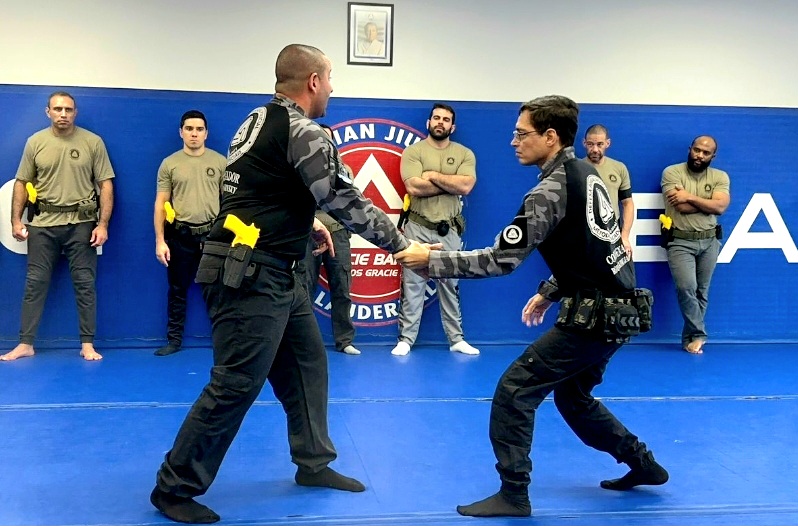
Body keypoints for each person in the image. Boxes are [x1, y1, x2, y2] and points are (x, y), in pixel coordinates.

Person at [150, 44, 410, 524]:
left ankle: (314, 463)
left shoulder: (258, 120)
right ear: (313, 81)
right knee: (235, 383)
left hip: (277, 270)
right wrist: (399, 244)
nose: (333, 87)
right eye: (330, 78)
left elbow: (257, 187)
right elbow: (340, 196)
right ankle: (174, 487)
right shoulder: (304, 130)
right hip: (250, 274)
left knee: (309, 364)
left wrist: (305, 221)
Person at [397, 95, 668, 518]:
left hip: (595, 317)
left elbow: (499, 259)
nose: (513, 142)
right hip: (620, 309)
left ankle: (513, 493)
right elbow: (592, 249)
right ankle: (644, 464)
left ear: (550, 137)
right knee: (574, 398)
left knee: (514, 392)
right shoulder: (588, 175)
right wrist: (550, 290)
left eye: (522, 134)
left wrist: (429, 260)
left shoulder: (548, 191)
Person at [2, 91, 115, 362]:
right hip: (42, 225)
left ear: (75, 113)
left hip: (82, 225)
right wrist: (16, 220)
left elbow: (105, 185)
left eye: (68, 109)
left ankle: (87, 344)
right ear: (48, 112)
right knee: (35, 284)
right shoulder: (36, 143)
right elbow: (21, 182)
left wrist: (103, 224)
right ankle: (25, 343)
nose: (63, 114)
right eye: (57, 109)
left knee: (85, 284)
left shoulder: (92, 142)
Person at [390, 103, 479, 357]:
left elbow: (466, 186)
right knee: (413, 284)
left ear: (453, 126)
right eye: (436, 118)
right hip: (418, 227)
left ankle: (456, 339)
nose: (441, 122)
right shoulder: (413, 152)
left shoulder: (464, 154)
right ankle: (406, 339)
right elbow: (415, 188)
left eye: (446, 119)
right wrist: (450, 182)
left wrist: (432, 175)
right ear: (429, 123)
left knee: (450, 284)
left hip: (449, 230)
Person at [153, 110, 226, 356]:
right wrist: (160, 240)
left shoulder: (220, 163)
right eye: (189, 129)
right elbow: (160, 203)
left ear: (206, 133)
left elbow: (229, 203)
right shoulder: (170, 164)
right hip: (180, 236)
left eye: (199, 129)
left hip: (212, 236)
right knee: (177, 290)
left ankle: (223, 341)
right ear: (181, 132)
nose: (194, 133)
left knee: (217, 292)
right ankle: (174, 340)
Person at [661, 136, 730, 354]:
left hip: (710, 241)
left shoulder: (720, 176)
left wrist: (689, 196)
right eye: (697, 150)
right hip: (680, 241)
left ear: (713, 156)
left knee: (702, 291)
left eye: (705, 153)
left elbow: (719, 207)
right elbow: (680, 206)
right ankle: (699, 333)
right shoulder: (672, 172)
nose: (699, 155)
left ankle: (690, 339)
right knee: (686, 287)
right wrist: (706, 203)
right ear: (690, 149)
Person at [297, 124, 360, 356]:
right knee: (304, 287)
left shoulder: (343, 170)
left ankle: (344, 340)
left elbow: (348, 202)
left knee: (342, 288)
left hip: (338, 233)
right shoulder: (300, 168)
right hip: (308, 232)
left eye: (328, 138)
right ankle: (303, 343)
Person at [582, 124, 635, 254]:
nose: (594, 149)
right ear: (584, 143)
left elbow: (628, 203)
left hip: (612, 231)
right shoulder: (575, 169)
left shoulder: (619, 168)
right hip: (584, 232)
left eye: (600, 144)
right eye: (590, 144)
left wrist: (625, 236)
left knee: (612, 273)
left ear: (608, 143)